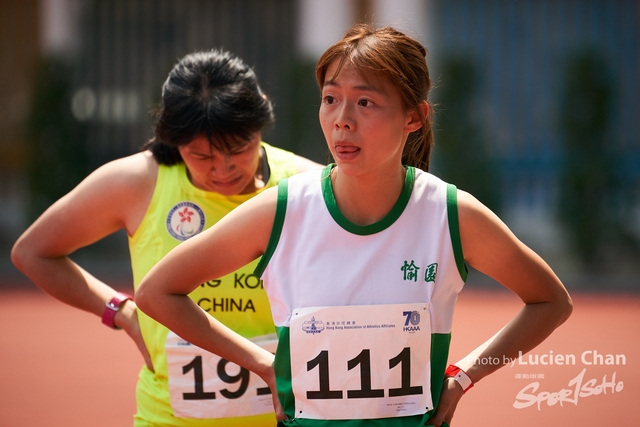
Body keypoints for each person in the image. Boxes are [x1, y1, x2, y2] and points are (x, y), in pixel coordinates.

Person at [135, 24, 573, 427]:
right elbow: (157, 292)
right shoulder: (283, 210)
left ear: (414, 117)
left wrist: (461, 377)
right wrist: (264, 364)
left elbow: (551, 302)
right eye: (330, 99)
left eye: (365, 102)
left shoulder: (451, 214)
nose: (342, 119)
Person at [11, 49, 322, 426]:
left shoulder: (307, 186)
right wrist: (120, 312)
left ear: (262, 116)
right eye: (201, 156)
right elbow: (33, 252)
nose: (222, 170)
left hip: (287, 417)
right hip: (168, 418)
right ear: (171, 138)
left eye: (238, 150)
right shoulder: (137, 183)